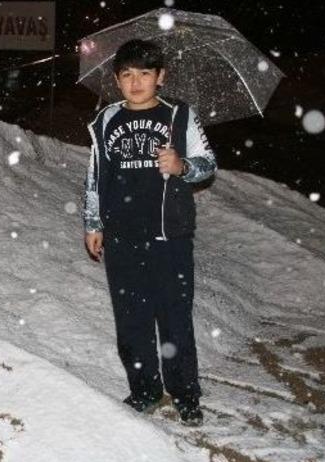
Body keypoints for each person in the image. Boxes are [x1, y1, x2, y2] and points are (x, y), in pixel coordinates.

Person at [82, 39, 217, 426]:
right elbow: (96, 175)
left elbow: (208, 164)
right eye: (127, 74)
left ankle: (185, 393)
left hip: (168, 236)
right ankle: (145, 389)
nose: (136, 82)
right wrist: (93, 222)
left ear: (160, 77)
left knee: (174, 318)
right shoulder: (106, 119)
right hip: (122, 236)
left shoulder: (179, 116)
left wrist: (182, 165)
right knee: (131, 319)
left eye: (144, 73)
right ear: (117, 80)